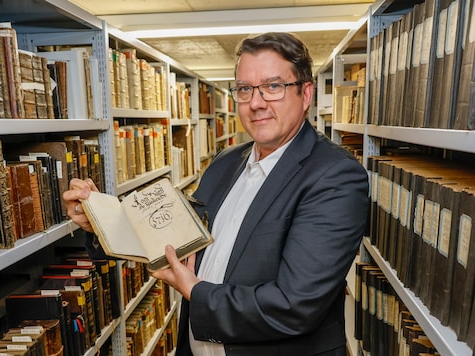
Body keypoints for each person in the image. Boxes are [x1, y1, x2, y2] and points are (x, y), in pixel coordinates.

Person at [63, 32, 369, 356]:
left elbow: (295, 305)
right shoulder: (226, 161)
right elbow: (176, 234)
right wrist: (101, 218)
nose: (256, 102)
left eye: (273, 86)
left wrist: (195, 291)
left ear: (306, 93)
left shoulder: (335, 176)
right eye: (244, 89)